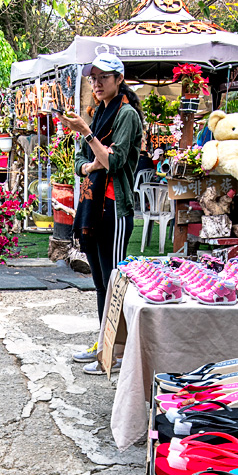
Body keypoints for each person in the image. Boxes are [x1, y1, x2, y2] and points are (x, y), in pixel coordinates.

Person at [60, 55, 144, 374]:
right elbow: (81, 163)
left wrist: (85, 133)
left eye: (102, 78)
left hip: (114, 208)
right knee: (99, 281)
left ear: (118, 79)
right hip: (92, 205)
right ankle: (103, 343)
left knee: (114, 282)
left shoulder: (126, 116)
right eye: (92, 78)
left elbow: (114, 162)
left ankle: (117, 352)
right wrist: (91, 160)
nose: (96, 83)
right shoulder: (98, 113)